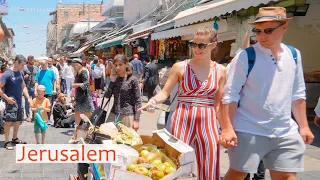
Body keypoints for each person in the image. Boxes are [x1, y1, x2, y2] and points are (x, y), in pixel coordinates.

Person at [222, 7, 314, 180]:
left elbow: (298, 93)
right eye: (258, 31)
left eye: (268, 30)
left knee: (286, 176)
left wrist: (303, 126)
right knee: (237, 175)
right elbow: (230, 95)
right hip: (248, 129)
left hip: (285, 131)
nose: (262, 36)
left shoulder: (294, 55)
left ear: (284, 27)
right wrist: (227, 128)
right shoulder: (246, 56)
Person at [139, 27, 236, 180]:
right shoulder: (180, 67)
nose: (196, 49)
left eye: (201, 45)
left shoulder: (221, 70)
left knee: (210, 165)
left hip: (208, 121)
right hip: (182, 119)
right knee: (177, 166)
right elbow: (165, 92)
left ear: (213, 45)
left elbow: (218, 105)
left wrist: (226, 129)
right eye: (193, 44)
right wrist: (153, 100)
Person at [0, 55, 33, 150]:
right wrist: (7, 99)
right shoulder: (7, 74)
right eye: (22, 65)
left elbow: (23, 87)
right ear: (16, 62)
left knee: (18, 121)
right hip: (10, 102)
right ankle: (6, 142)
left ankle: (14, 138)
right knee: (8, 121)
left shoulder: (20, 72)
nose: (23, 67)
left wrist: (28, 98)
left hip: (19, 101)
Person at [104, 54, 141, 130]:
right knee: (108, 138)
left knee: (125, 140)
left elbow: (138, 101)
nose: (118, 67)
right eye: (116, 65)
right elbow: (107, 95)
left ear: (126, 64)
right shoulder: (115, 79)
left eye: (120, 65)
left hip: (127, 115)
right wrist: (112, 81)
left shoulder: (133, 79)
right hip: (114, 113)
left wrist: (136, 120)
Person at [70, 58, 93, 143]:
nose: (74, 67)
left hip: (85, 98)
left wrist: (77, 85)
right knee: (77, 115)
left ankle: (90, 133)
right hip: (80, 97)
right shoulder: (79, 72)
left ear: (79, 64)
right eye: (73, 66)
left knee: (89, 117)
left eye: (75, 65)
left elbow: (87, 84)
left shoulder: (83, 71)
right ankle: (77, 134)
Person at [23, 55, 39, 122]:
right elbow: (20, 78)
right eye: (31, 60)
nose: (32, 61)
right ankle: (27, 115)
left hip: (34, 87)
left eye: (33, 60)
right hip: (26, 87)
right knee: (27, 102)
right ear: (28, 60)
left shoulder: (36, 68)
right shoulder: (24, 68)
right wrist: (24, 77)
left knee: (35, 102)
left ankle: (34, 115)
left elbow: (38, 77)